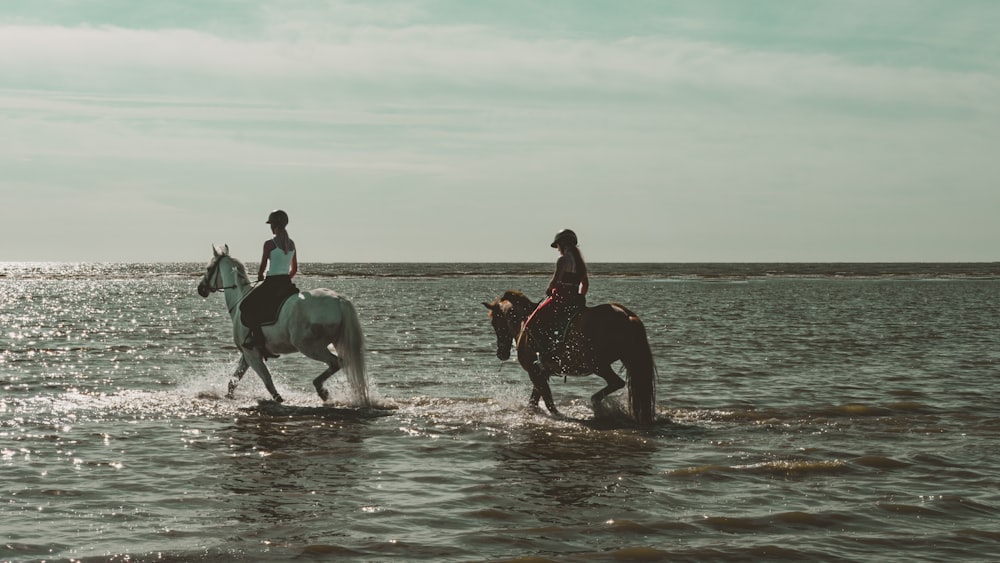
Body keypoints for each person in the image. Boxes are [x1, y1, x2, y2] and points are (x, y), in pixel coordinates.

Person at [525, 228, 589, 369]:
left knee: (530, 324)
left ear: (563, 244)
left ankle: (546, 355)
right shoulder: (580, 263)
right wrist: (579, 298)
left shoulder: (563, 260)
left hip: (560, 298)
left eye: (558, 246)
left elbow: (555, 281)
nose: (558, 249)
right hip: (574, 301)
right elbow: (585, 285)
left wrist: (549, 289)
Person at [240, 209, 299, 357]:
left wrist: (260, 275)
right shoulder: (291, 244)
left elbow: (262, 266)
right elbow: (294, 269)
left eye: (271, 224)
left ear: (274, 226)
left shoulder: (269, 244)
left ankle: (259, 340)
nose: (270, 227)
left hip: (272, 283)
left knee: (246, 306)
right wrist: (286, 279)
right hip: (286, 283)